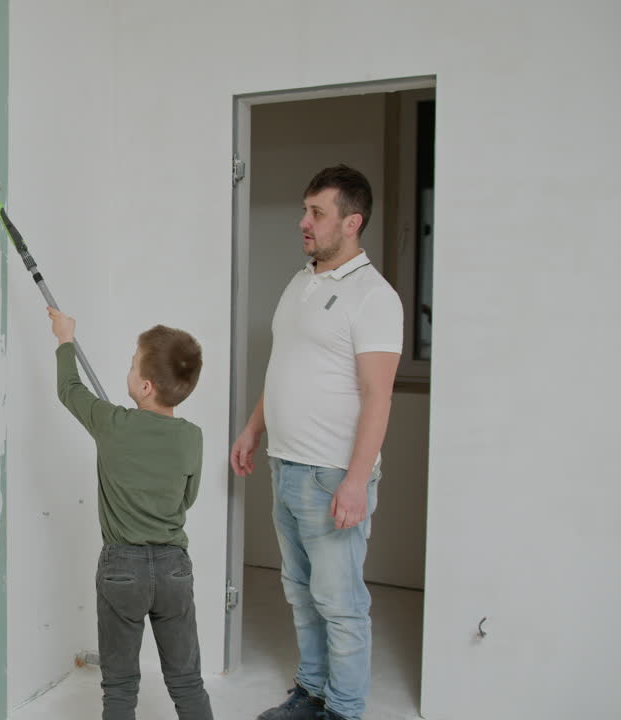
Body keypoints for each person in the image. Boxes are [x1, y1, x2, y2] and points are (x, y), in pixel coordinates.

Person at [231, 165, 403, 720]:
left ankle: (344, 710)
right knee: (300, 592)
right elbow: (285, 366)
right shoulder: (300, 281)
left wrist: (356, 480)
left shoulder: (374, 297)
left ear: (351, 223)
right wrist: (254, 428)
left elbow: (378, 396)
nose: (303, 222)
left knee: (340, 603)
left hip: (331, 475)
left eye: (317, 213)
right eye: (305, 211)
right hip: (286, 464)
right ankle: (311, 692)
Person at [48, 306, 214, 720]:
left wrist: (65, 338)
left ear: (144, 385)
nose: (128, 368)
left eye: (132, 362)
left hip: (122, 569)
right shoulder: (191, 437)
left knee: (120, 686)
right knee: (187, 680)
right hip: (174, 569)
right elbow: (187, 498)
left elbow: (69, 388)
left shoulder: (112, 424)